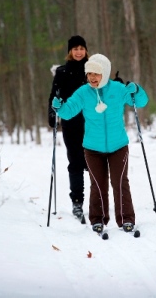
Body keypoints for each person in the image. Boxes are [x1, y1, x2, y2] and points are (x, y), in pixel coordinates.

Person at [52, 53, 149, 233]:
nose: (92, 78)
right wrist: (58, 106)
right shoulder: (83, 93)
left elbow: (141, 102)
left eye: (96, 73)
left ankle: (126, 219)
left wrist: (137, 89)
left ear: (104, 73)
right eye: (89, 74)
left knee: (120, 182)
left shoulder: (118, 89)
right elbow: (67, 112)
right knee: (97, 184)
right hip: (92, 148)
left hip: (118, 146)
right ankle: (98, 219)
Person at [48, 35, 89, 219]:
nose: (79, 52)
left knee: (94, 162)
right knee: (75, 162)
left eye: (81, 48)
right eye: (75, 49)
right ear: (70, 52)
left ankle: (98, 200)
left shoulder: (93, 68)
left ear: (86, 50)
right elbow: (54, 97)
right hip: (71, 122)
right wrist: (52, 114)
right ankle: (77, 202)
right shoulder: (62, 72)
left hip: (91, 122)